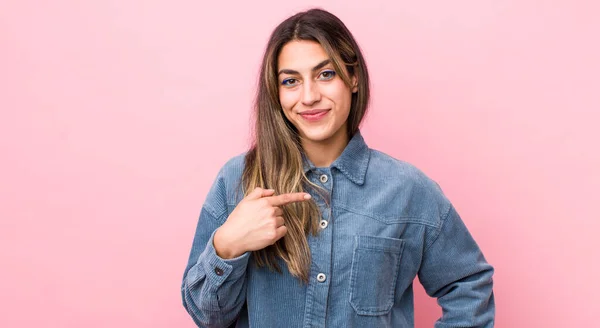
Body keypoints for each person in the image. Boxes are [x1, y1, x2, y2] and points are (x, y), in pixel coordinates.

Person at [181, 8, 494, 328]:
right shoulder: (236, 182)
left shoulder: (408, 189)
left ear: (353, 78)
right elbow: (207, 317)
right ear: (276, 93)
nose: (309, 96)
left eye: (325, 74)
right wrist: (228, 245)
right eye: (291, 81)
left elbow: (469, 286)